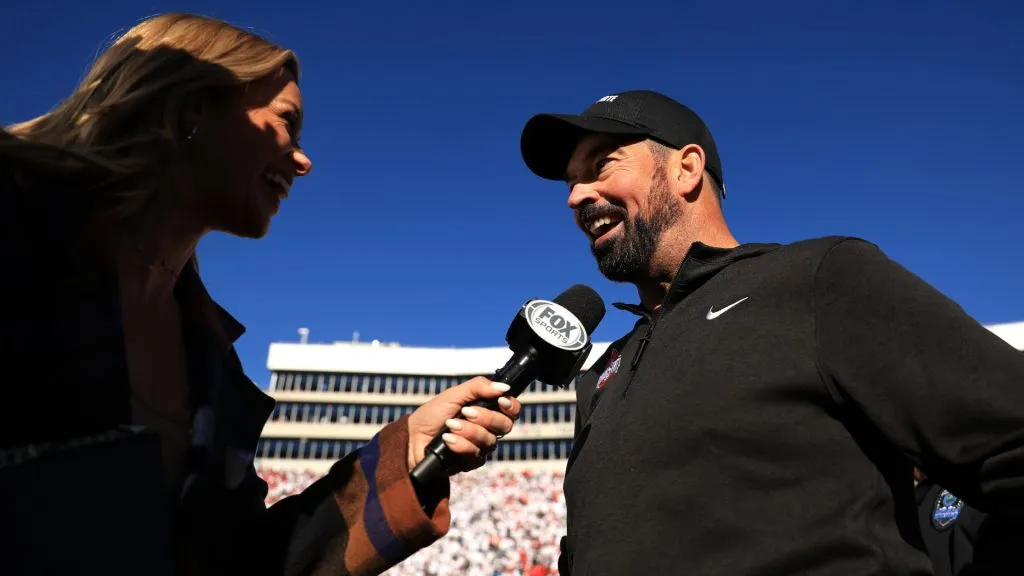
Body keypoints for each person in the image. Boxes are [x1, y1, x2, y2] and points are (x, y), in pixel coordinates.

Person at [0, 13, 519, 576]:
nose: (303, 159)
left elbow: (244, 562)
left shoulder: (209, 358)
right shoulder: (15, 218)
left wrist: (407, 456)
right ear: (193, 105)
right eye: (285, 123)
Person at [518, 89, 1024, 575]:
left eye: (601, 164)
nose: (576, 196)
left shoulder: (818, 279)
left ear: (686, 168)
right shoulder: (602, 375)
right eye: (570, 181)